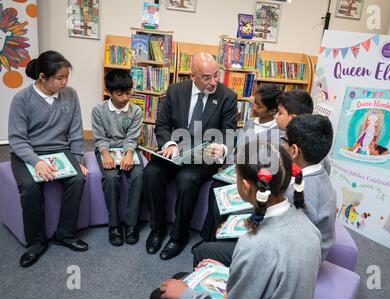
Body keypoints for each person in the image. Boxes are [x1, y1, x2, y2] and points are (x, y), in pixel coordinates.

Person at [152, 142, 322, 299]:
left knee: (161, 293)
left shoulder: (252, 244)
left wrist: (185, 295)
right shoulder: (309, 227)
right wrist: (227, 271)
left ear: (245, 186)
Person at [143, 52, 238, 260]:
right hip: (175, 151)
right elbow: (162, 125)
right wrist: (168, 143)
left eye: (216, 75)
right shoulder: (176, 91)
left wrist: (220, 148)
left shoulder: (227, 96)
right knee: (151, 173)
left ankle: (179, 235)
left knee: (186, 179)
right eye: (206, 77)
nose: (213, 82)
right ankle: (157, 228)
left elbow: (229, 133)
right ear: (192, 75)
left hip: (202, 157)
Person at [8, 51, 89, 268]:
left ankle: (65, 233)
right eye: (60, 78)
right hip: (28, 153)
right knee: (30, 186)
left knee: (78, 179)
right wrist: (37, 162)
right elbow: (17, 139)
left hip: (60, 151)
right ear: (43, 77)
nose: (65, 82)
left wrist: (78, 159)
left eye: (67, 77)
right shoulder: (22, 99)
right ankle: (36, 242)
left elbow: (76, 131)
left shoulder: (70, 95)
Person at [192, 84, 282, 251]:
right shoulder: (249, 123)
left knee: (232, 198)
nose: (253, 108)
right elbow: (238, 151)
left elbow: (270, 163)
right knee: (216, 188)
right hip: (238, 173)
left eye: (259, 106)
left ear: (272, 111)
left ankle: (222, 243)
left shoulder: (278, 132)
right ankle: (209, 238)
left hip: (258, 180)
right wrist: (229, 165)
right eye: (254, 103)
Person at [92, 69, 143, 247]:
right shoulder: (98, 110)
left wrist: (129, 153)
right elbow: (100, 137)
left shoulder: (136, 110)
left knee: (138, 176)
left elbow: (132, 137)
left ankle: (131, 224)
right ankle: (114, 226)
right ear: (109, 92)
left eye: (128, 93)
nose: (124, 98)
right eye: (119, 94)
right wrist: (105, 154)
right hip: (106, 149)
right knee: (111, 177)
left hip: (129, 149)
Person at [283, 114, 336, 260]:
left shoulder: (298, 192)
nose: (282, 145)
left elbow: (288, 241)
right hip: (315, 252)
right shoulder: (321, 173)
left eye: (284, 141)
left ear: (294, 150)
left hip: (300, 262)